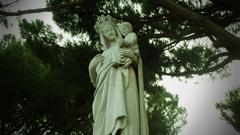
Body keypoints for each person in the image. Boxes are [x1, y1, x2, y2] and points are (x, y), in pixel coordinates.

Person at [89, 15, 149, 135]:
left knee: (129, 111)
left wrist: (129, 54)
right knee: (105, 116)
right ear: (103, 36)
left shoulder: (124, 44)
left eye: (111, 29)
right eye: (106, 31)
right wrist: (91, 68)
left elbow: (137, 62)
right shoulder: (103, 55)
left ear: (115, 29)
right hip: (108, 91)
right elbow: (96, 83)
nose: (110, 32)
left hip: (126, 80)